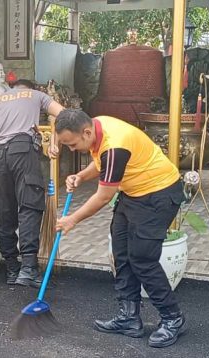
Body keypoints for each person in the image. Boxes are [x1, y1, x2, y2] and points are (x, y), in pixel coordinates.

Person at [53, 110, 187, 348]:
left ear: (85, 132)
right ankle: (129, 318)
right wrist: (81, 176)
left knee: (143, 259)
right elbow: (102, 164)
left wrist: (72, 219)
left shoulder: (115, 144)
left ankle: (173, 318)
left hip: (159, 194)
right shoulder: (97, 127)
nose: (72, 150)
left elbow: (104, 196)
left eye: (72, 144)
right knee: (121, 253)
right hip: (134, 193)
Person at [0, 79, 64, 287]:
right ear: (30, 87)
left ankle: (12, 269)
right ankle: (29, 269)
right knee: (29, 206)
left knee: (4, 209)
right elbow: (64, 115)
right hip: (23, 150)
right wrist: (53, 143)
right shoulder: (36, 95)